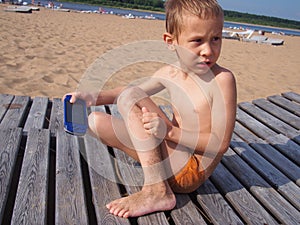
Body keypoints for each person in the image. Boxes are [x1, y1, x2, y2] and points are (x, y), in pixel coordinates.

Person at [65, 0, 236, 218]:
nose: (208, 50)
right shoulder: (170, 73)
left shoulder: (222, 80)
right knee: (95, 122)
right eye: (197, 41)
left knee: (130, 97)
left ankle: (156, 191)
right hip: (170, 156)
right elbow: (127, 91)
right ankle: (156, 179)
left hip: (191, 169)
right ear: (171, 41)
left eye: (216, 39)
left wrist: (170, 132)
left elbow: (220, 144)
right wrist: (91, 97)